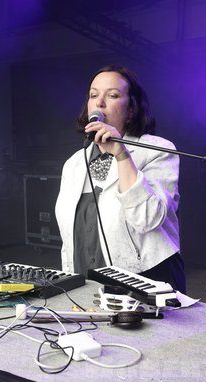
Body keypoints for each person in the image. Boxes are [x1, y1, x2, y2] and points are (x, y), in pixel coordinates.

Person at [54, 65, 186, 293]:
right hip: (88, 286)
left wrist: (122, 154)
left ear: (132, 109)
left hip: (148, 280)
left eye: (112, 95)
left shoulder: (157, 150)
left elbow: (147, 219)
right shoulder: (74, 163)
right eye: (93, 95)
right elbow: (70, 238)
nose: (100, 103)